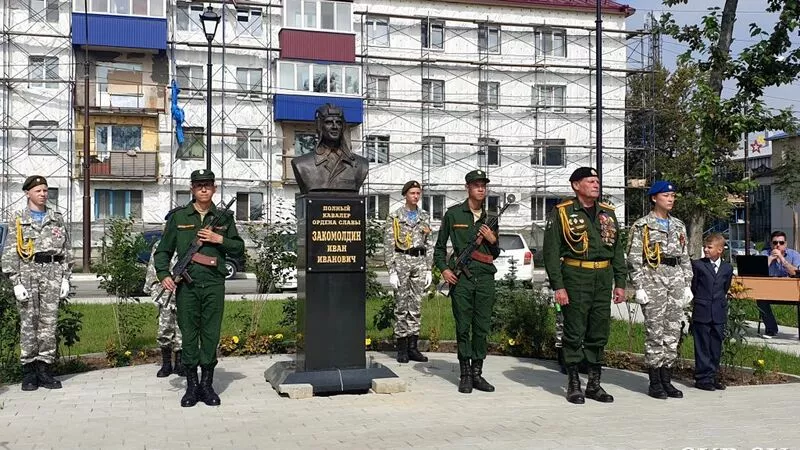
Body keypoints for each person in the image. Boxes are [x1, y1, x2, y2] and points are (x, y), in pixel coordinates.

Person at [154, 169, 245, 407]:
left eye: (208, 185)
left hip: (214, 284)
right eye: (198, 185)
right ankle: (192, 386)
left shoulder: (224, 218)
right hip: (188, 287)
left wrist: (219, 240)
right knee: (189, 334)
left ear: (214, 188)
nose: (203, 189)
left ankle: (207, 384)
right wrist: (164, 275)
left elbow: (238, 249)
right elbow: (163, 251)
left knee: (211, 334)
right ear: (192, 189)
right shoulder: (179, 217)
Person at [542, 167, 626, 404]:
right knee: (574, 332)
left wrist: (620, 283)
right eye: (590, 181)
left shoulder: (608, 213)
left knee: (598, 331)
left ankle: (594, 384)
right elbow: (551, 253)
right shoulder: (562, 213)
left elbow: (617, 250)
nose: (596, 184)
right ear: (576, 185)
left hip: (602, 276)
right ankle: (573, 383)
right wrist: (558, 286)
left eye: (597, 180)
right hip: (575, 275)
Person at [1, 175, 72, 391]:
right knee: (29, 323)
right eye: (38, 191)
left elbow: (66, 250)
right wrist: (15, 282)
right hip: (28, 272)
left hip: (52, 272)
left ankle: (45, 370)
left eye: (45, 190)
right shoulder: (18, 218)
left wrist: (65, 278)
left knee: (48, 324)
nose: (42, 194)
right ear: (28, 193)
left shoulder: (56, 218)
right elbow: (10, 251)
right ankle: (29, 372)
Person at [433, 169, 500, 394]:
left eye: (484, 185)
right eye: (476, 185)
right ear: (467, 188)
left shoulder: (491, 218)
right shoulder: (454, 214)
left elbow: (495, 253)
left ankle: (477, 374)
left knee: (481, 327)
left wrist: (492, 240)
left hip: (485, 278)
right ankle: (464, 374)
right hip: (461, 280)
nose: (481, 189)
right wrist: (444, 270)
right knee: (463, 327)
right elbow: (439, 248)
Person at [626, 181, 693, 399]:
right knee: (655, 331)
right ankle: (654, 382)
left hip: (675, 279)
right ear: (654, 198)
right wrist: (638, 287)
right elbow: (634, 259)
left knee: (673, 331)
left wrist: (687, 283)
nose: (671, 199)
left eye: (673, 196)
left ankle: (667, 379)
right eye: (666, 196)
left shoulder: (679, 225)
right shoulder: (642, 226)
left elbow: (684, 256)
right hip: (653, 279)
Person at [384, 180, 434, 363]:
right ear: (405, 194)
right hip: (402, 260)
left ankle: (413, 347)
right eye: (412, 193)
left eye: (418, 193)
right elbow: (389, 244)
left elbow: (429, 242)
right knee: (401, 305)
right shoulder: (395, 216)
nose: (416, 196)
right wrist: (391, 270)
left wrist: (429, 268)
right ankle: (402, 348)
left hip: (419, 261)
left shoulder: (424, 216)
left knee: (416, 305)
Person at [290, 103, 369, 194]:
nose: (335, 127)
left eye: (338, 123)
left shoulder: (361, 164)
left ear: (343, 127)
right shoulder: (302, 164)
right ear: (320, 126)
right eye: (329, 122)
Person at [690, 233, 733, 391]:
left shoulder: (727, 268)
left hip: (718, 312)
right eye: (705, 247)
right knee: (702, 345)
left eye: (709, 247)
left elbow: (725, 287)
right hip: (702, 310)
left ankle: (713, 375)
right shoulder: (698, 265)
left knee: (715, 345)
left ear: (720, 250)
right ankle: (702, 378)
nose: (706, 249)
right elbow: (694, 286)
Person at [143, 234, 184, 378]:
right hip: (165, 294)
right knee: (164, 329)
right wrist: (156, 289)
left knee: (182, 329)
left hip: (184, 294)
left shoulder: (188, 244)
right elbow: (152, 270)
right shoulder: (160, 245)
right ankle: (166, 364)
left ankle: (180, 363)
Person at [757, 230, 800, 338]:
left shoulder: (794, 255)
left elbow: (795, 272)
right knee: (760, 300)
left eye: (781, 243)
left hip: (791, 291)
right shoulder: (764, 254)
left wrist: (782, 259)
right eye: (775, 243)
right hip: (770, 291)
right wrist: (771, 259)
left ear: (785, 244)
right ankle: (771, 329)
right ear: (771, 244)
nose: (778, 245)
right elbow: (757, 271)